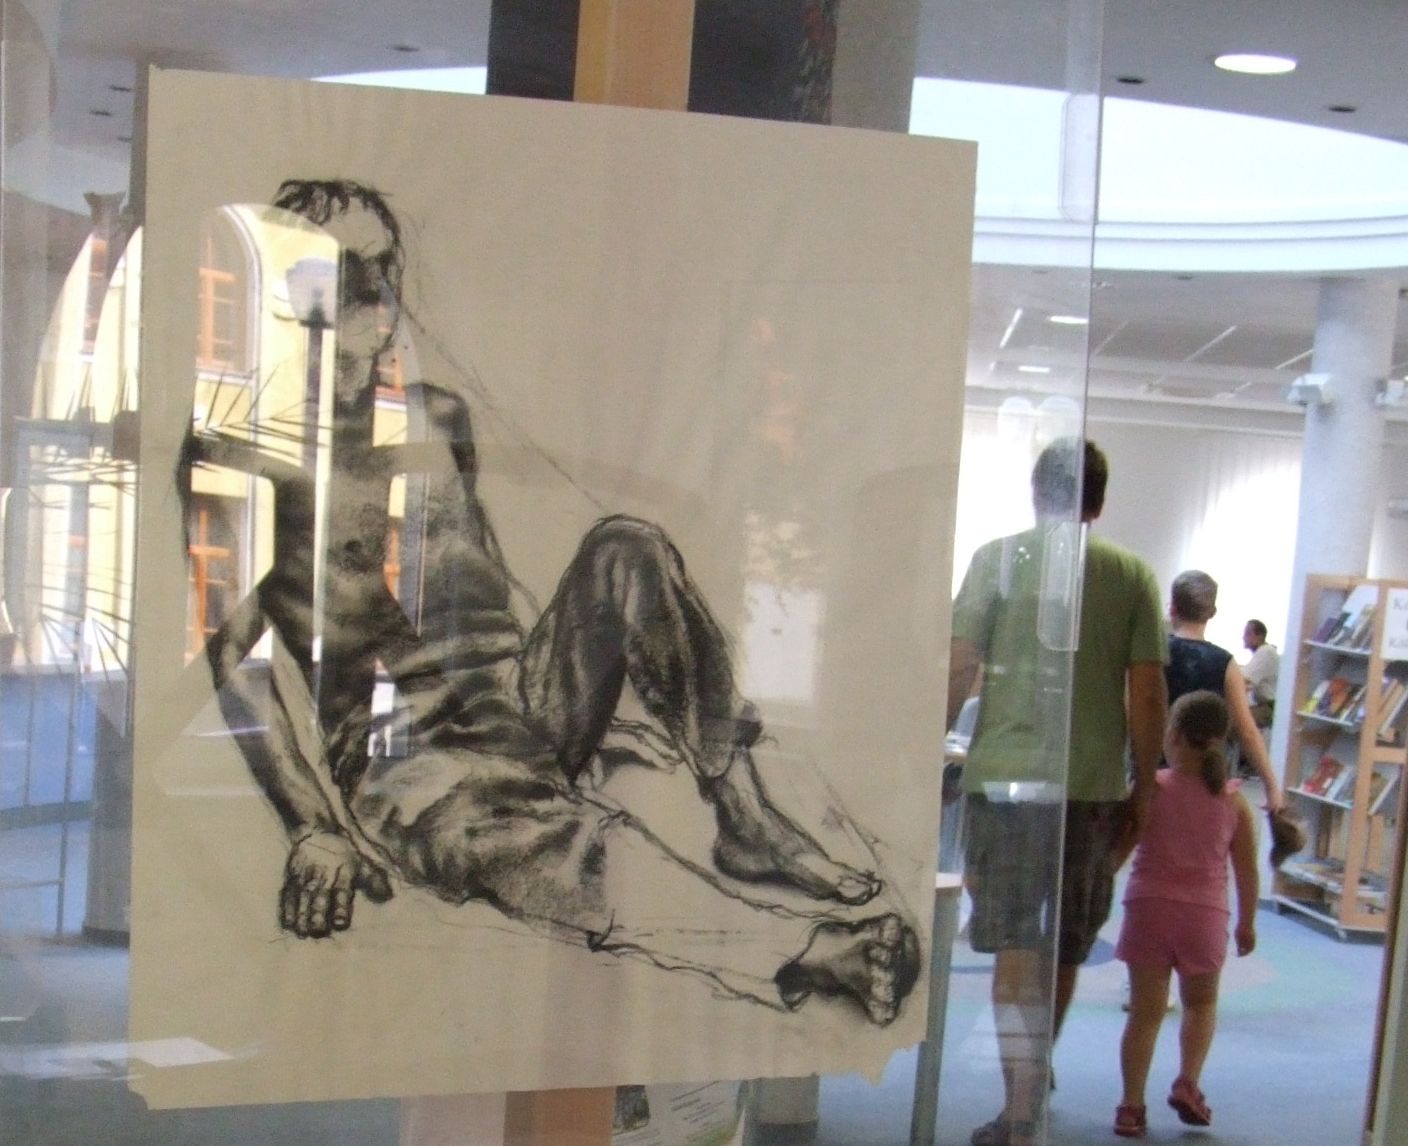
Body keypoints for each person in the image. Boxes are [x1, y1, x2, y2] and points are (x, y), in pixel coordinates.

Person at [182, 175, 919, 1026]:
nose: (379, 309)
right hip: (406, 750)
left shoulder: (435, 416)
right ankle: (796, 949)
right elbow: (236, 667)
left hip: (513, 698)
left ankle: (747, 819)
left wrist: (587, 691)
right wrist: (313, 825)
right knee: (536, 844)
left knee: (628, 546)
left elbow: (479, 577)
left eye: (386, 276)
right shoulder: (235, 458)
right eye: (351, 283)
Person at [948, 437, 1168, 1146]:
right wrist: (1144, 785)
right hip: (1091, 784)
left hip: (1007, 780)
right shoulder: (1130, 574)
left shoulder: (996, 559)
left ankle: (1017, 1109)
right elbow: (1147, 689)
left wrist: (925, 751)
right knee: (1066, 940)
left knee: (1015, 937)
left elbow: (961, 663)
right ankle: (1032, 1082)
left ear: (1035, 492)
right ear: (1098, 502)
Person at [1113, 688, 1258, 1135]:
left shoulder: (1152, 790)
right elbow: (1247, 869)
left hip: (1148, 909)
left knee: (1145, 1012)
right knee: (1201, 1003)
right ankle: (1188, 1082)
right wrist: (1247, 922)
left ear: (1172, 735)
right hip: (1205, 916)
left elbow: (1121, 848)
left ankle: (1131, 1106)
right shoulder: (1234, 801)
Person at [1165, 570, 1286, 817]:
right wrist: (1271, 786)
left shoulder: (1155, 653)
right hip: (1207, 778)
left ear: (1173, 608)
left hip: (1155, 771)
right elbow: (1247, 730)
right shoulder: (1225, 663)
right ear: (1212, 613)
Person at [1241, 617, 1279, 728]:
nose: (1244, 637)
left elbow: (1243, 679)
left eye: (1248, 633)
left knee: (1233, 721)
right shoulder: (1263, 653)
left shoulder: (1266, 651)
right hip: (1265, 706)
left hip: (1269, 709)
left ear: (1260, 636)